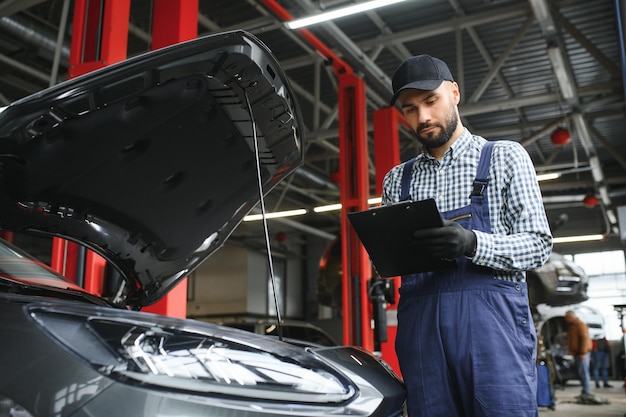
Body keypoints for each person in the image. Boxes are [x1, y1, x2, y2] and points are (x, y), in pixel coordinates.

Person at [382, 55, 553, 417]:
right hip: (422, 330)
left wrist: (473, 243)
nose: (423, 118)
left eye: (432, 102)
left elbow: (538, 244)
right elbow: (392, 257)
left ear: (455, 93)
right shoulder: (398, 180)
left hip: (493, 329)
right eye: (410, 109)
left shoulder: (505, 157)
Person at [564, 310, 592, 395]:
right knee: (581, 372)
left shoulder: (580, 325)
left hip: (582, 353)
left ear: (571, 317)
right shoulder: (573, 326)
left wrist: (582, 353)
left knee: (584, 372)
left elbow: (584, 339)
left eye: (567, 318)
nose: (566, 320)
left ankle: (586, 392)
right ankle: (585, 391)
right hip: (578, 353)